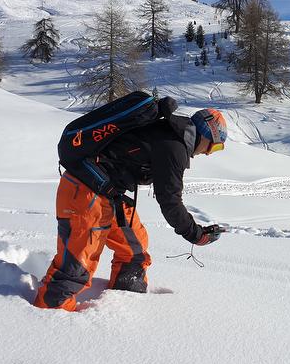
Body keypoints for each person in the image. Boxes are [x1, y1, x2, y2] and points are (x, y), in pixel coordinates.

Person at [34, 99, 227, 311]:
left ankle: (127, 300)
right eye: (214, 147)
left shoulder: (169, 132)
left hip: (107, 194)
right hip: (85, 194)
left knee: (134, 249)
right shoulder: (174, 146)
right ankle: (49, 320)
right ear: (206, 135)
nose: (208, 153)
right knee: (76, 268)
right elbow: (170, 200)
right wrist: (195, 234)